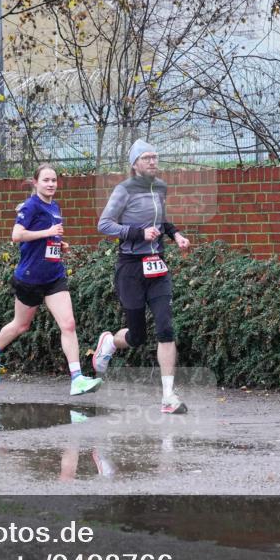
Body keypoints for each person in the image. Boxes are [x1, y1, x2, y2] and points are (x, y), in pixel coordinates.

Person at [0, 164, 103, 396]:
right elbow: (16, 235)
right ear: (35, 183)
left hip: (54, 276)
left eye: (54, 180)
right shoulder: (30, 206)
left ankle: (77, 379)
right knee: (21, 325)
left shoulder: (54, 206)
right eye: (46, 180)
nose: (51, 184)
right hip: (30, 277)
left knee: (68, 324)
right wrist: (48, 233)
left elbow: (47, 239)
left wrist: (58, 244)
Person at [93, 140, 191, 414]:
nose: (152, 161)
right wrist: (138, 233)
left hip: (157, 267)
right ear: (135, 164)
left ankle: (168, 397)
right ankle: (110, 342)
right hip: (131, 269)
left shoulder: (160, 187)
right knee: (137, 336)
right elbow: (104, 224)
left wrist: (176, 235)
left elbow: (160, 221)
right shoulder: (123, 190)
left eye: (154, 157)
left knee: (166, 328)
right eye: (146, 158)